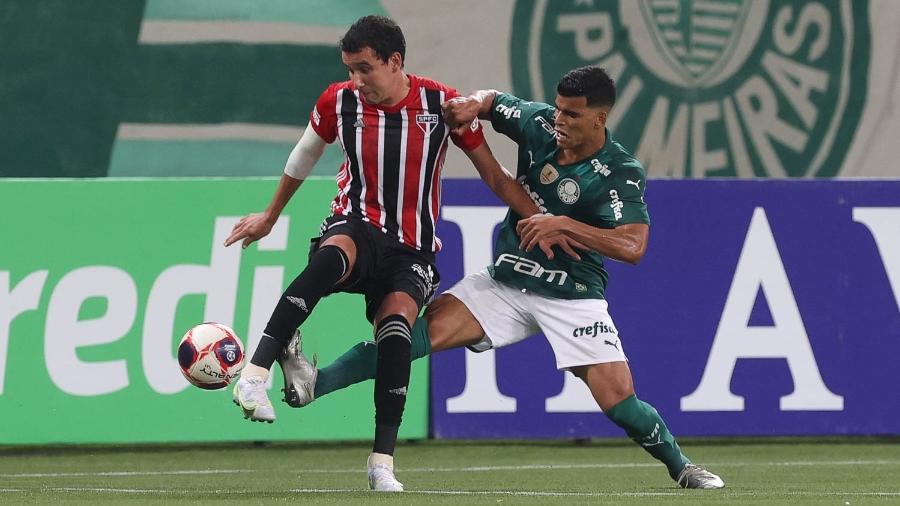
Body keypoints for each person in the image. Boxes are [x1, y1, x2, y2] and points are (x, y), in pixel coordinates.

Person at [276, 66, 726, 490]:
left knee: (620, 403)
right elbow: (491, 102)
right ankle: (315, 383)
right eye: (558, 108)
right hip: (507, 282)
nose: (559, 120)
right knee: (406, 339)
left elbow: (634, 246)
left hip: (572, 295)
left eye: (572, 114)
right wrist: (472, 105)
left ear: (599, 118)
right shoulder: (539, 122)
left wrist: (563, 224)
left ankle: (682, 467)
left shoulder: (620, 171)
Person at [223, 15, 552, 492]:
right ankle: (254, 375)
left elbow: (495, 176)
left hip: (412, 249)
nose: (355, 80)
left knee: (397, 334)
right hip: (358, 222)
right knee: (328, 261)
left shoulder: (441, 104)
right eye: (349, 69)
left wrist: (539, 221)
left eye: (364, 69)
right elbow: (303, 156)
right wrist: (270, 216)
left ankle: (382, 464)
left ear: (395, 61)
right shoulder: (339, 101)